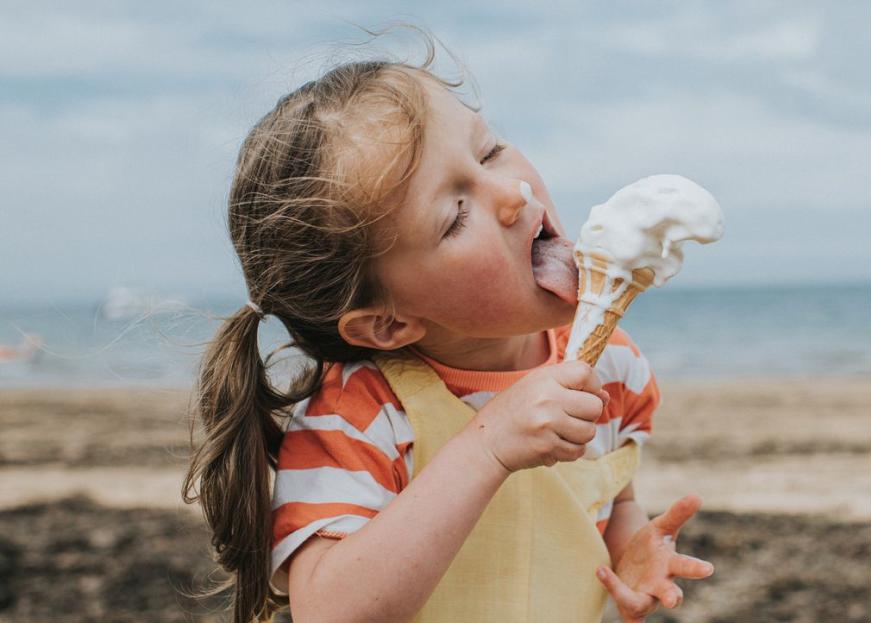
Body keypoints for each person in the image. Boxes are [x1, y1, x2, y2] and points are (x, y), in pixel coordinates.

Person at [182, 37, 713, 623]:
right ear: (387, 322)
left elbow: (610, 501)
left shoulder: (613, 365)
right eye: (455, 215)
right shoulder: (360, 414)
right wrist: (488, 447)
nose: (513, 194)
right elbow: (329, 609)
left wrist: (630, 546)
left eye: (489, 153)